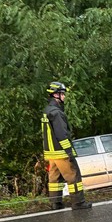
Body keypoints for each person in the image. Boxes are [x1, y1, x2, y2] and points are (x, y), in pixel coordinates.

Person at [40, 81, 92, 210]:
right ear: (56, 95)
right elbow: (62, 134)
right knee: (73, 176)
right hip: (61, 152)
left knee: (54, 178)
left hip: (50, 153)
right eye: (62, 94)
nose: (64, 96)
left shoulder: (46, 111)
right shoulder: (57, 113)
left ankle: (55, 203)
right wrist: (69, 151)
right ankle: (78, 203)